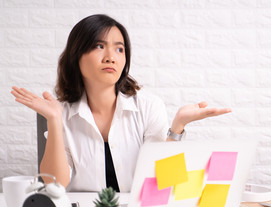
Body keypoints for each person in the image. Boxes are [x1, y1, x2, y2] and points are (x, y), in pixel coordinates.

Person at [11, 14, 231, 192]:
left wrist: (177, 127)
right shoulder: (63, 112)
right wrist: (54, 121)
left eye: (119, 49)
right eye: (99, 46)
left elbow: (165, 182)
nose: (111, 57)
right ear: (76, 56)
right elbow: (55, 185)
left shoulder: (148, 106)